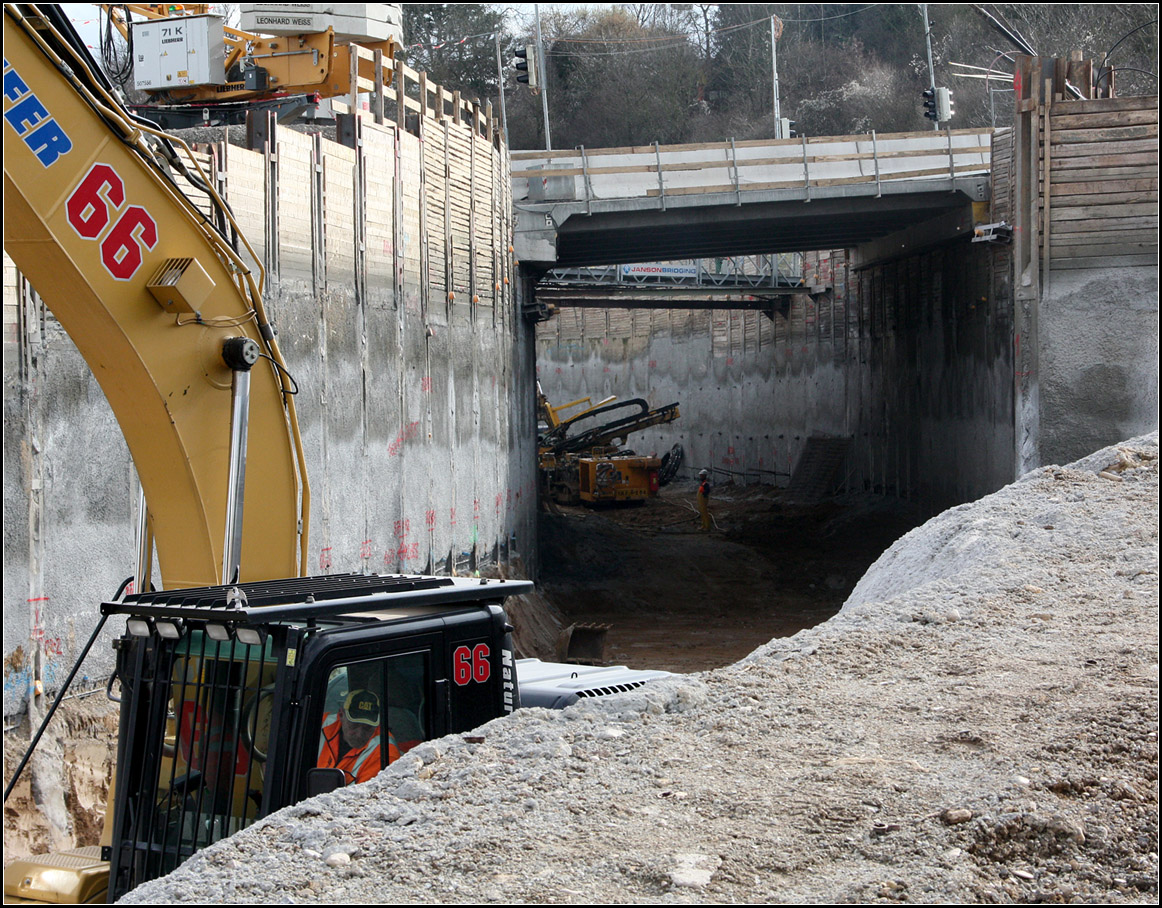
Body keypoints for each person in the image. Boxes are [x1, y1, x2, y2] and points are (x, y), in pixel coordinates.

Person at [317, 689, 399, 785]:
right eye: (354, 726)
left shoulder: (386, 752)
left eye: (367, 728)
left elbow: (365, 797)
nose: (359, 734)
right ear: (341, 714)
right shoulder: (320, 724)